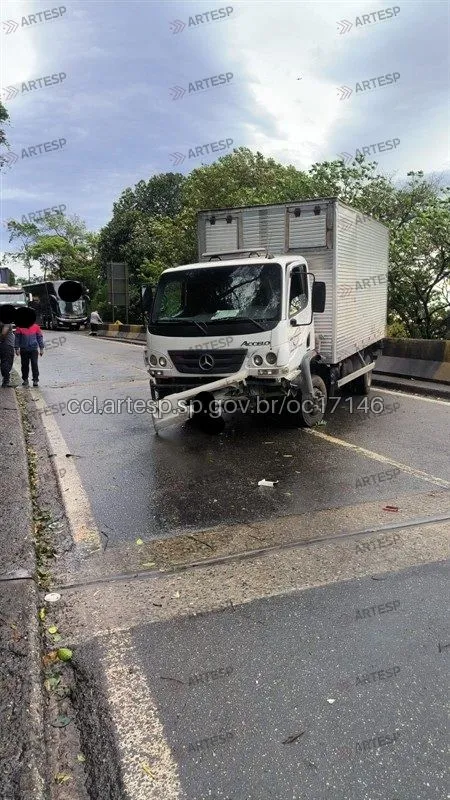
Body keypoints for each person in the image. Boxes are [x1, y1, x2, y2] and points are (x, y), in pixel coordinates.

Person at [15, 320, 45, 387]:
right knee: (24, 365)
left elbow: (39, 337)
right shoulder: (19, 327)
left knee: (34, 364)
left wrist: (41, 348)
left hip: (33, 349)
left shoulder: (36, 327)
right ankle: (25, 379)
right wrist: (16, 348)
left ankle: (35, 380)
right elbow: (17, 338)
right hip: (24, 350)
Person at [0, 317, 15, 387]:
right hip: (7, 345)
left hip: (5, 345)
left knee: (4, 361)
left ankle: (5, 380)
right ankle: (6, 381)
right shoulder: (6, 322)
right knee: (7, 362)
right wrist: (1, 340)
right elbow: (3, 333)